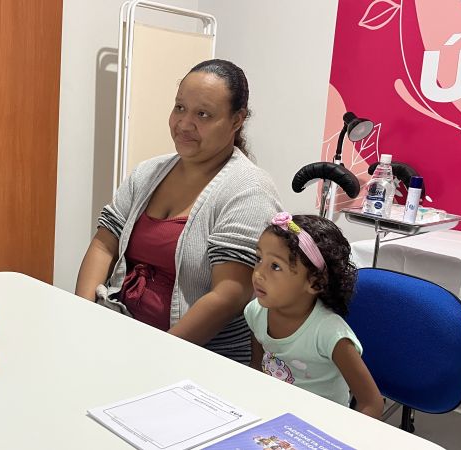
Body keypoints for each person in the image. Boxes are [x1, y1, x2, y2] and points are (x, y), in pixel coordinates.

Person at [75, 59, 281, 363]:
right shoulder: (149, 172)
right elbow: (104, 242)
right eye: (180, 108)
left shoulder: (248, 188)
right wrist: (82, 316)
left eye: (203, 114)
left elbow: (230, 294)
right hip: (122, 333)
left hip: (197, 356)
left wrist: (157, 355)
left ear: (237, 120)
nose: (184, 124)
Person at [245, 212, 383, 418]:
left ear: (315, 282)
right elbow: (257, 368)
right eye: (259, 259)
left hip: (322, 424)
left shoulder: (329, 333)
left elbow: (371, 403)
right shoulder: (256, 312)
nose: (258, 273)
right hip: (276, 414)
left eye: (275, 266)